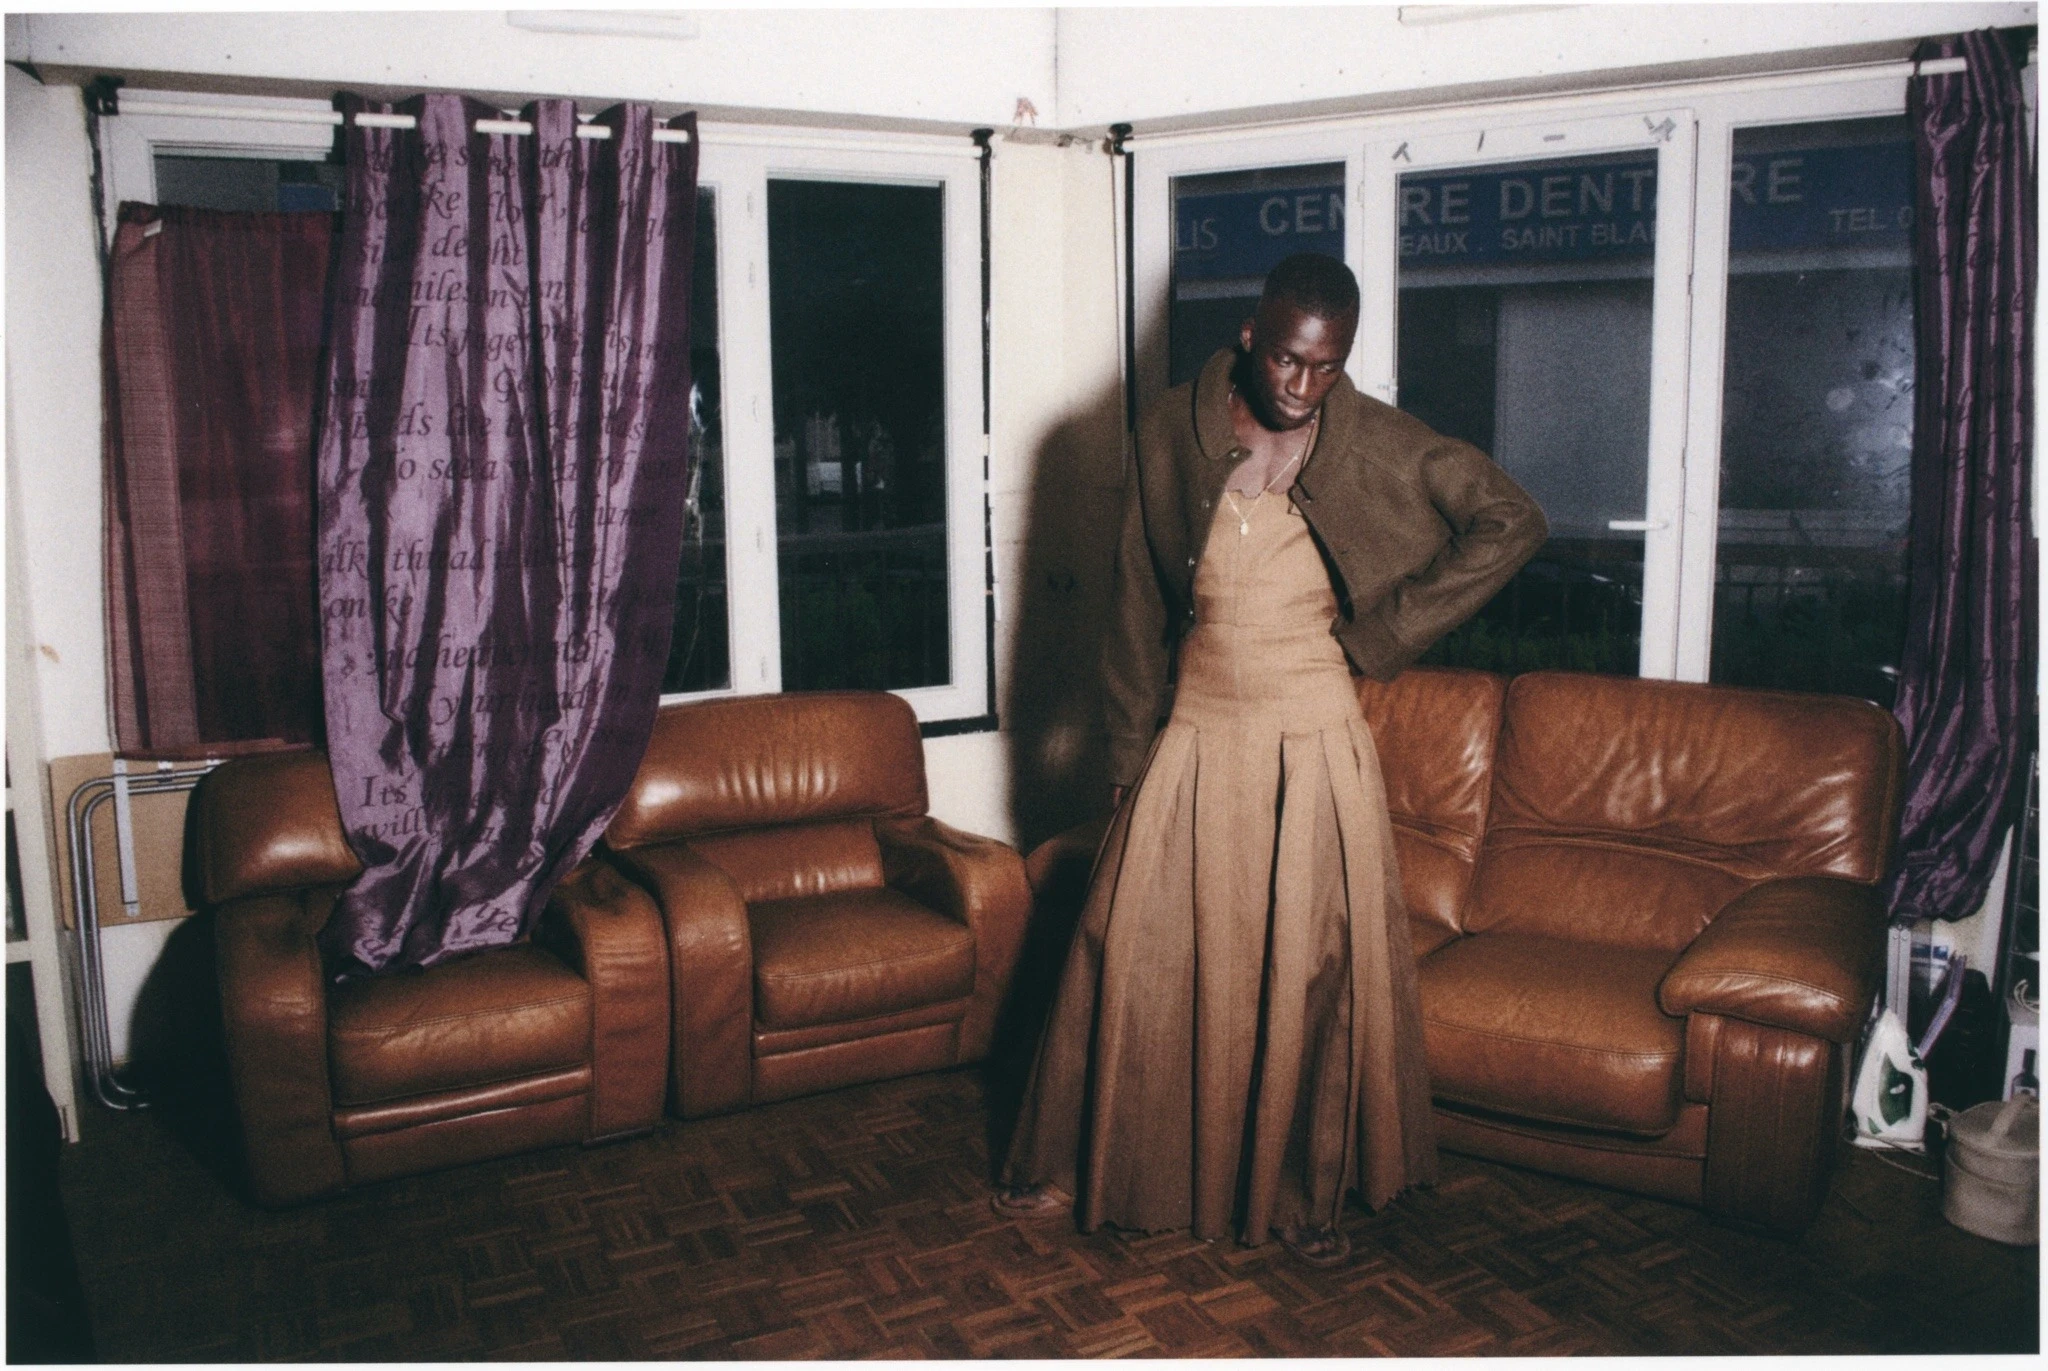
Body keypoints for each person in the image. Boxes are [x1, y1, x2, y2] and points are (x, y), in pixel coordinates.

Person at [993, 252, 1547, 1265]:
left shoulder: (1379, 439)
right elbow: (1133, 598)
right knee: (1128, 946)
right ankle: (1084, 1159)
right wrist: (1125, 749)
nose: (1302, 386)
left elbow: (1511, 521)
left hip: (1313, 731)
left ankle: (1298, 1198)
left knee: (1306, 969)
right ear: (1251, 336)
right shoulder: (1169, 427)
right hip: (1197, 723)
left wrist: (1383, 633)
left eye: (1327, 366)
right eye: (1288, 360)